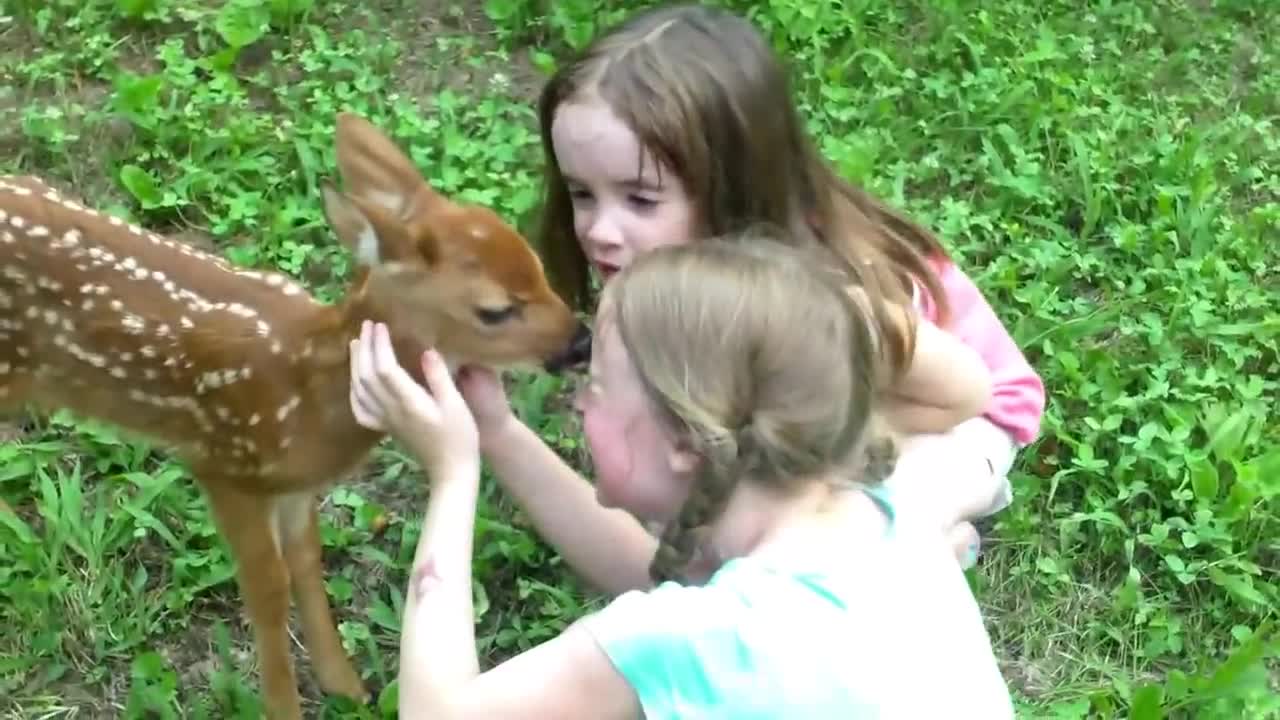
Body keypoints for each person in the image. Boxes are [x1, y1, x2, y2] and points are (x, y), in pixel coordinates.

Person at [477, 2, 1046, 573]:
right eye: (581, 193)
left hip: (961, 419)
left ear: (731, 184)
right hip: (850, 395)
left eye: (640, 199)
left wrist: (838, 483)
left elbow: (963, 394)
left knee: (854, 527)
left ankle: (929, 551)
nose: (599, 230)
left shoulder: (813, 298)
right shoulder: (662, 268)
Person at [349, 234, 1015, 718]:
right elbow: (660, 572)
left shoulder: (695, 642)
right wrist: (497, 433)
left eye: (600, 386)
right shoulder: (886, 518)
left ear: (685, 441)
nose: (578, 400)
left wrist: (453, 472)